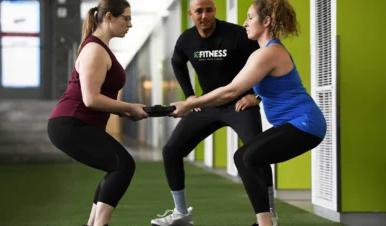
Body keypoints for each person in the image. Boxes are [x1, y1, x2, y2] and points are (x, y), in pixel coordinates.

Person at [170, 0, 327, 225]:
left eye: (250, 17)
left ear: (266, 21)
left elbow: (230, 91)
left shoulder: (269, 53)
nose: (244, 23)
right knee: (247, 157)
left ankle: (265, 222)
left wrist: (189, 104)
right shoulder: (264, 52)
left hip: (305, 123)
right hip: (298, 124)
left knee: (245, 157)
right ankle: (265, 221)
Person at [150, 0, 277, 225]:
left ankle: (270, 214)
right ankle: (182, 213)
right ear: (191, 14)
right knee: (171, 151)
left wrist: (256, 96)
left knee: (257, 153)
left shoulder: (236, 35)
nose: (204, 15)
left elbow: (267, 61)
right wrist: (190, 96)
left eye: (209, 10)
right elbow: (177, 62)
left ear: (214, 11)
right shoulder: (186, 40)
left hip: (240, 104)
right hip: (208, 105)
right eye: (199, 11)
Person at [47, 1, 148, 226]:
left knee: (116, 166)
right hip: (70, 123)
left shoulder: (100, 47)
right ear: (110, 17)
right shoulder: (94, 49)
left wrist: (125, 112)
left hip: (79, 123)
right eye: (127, 18)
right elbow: (90, 98)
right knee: (123, 165)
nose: (130, 24)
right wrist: (128, 107)